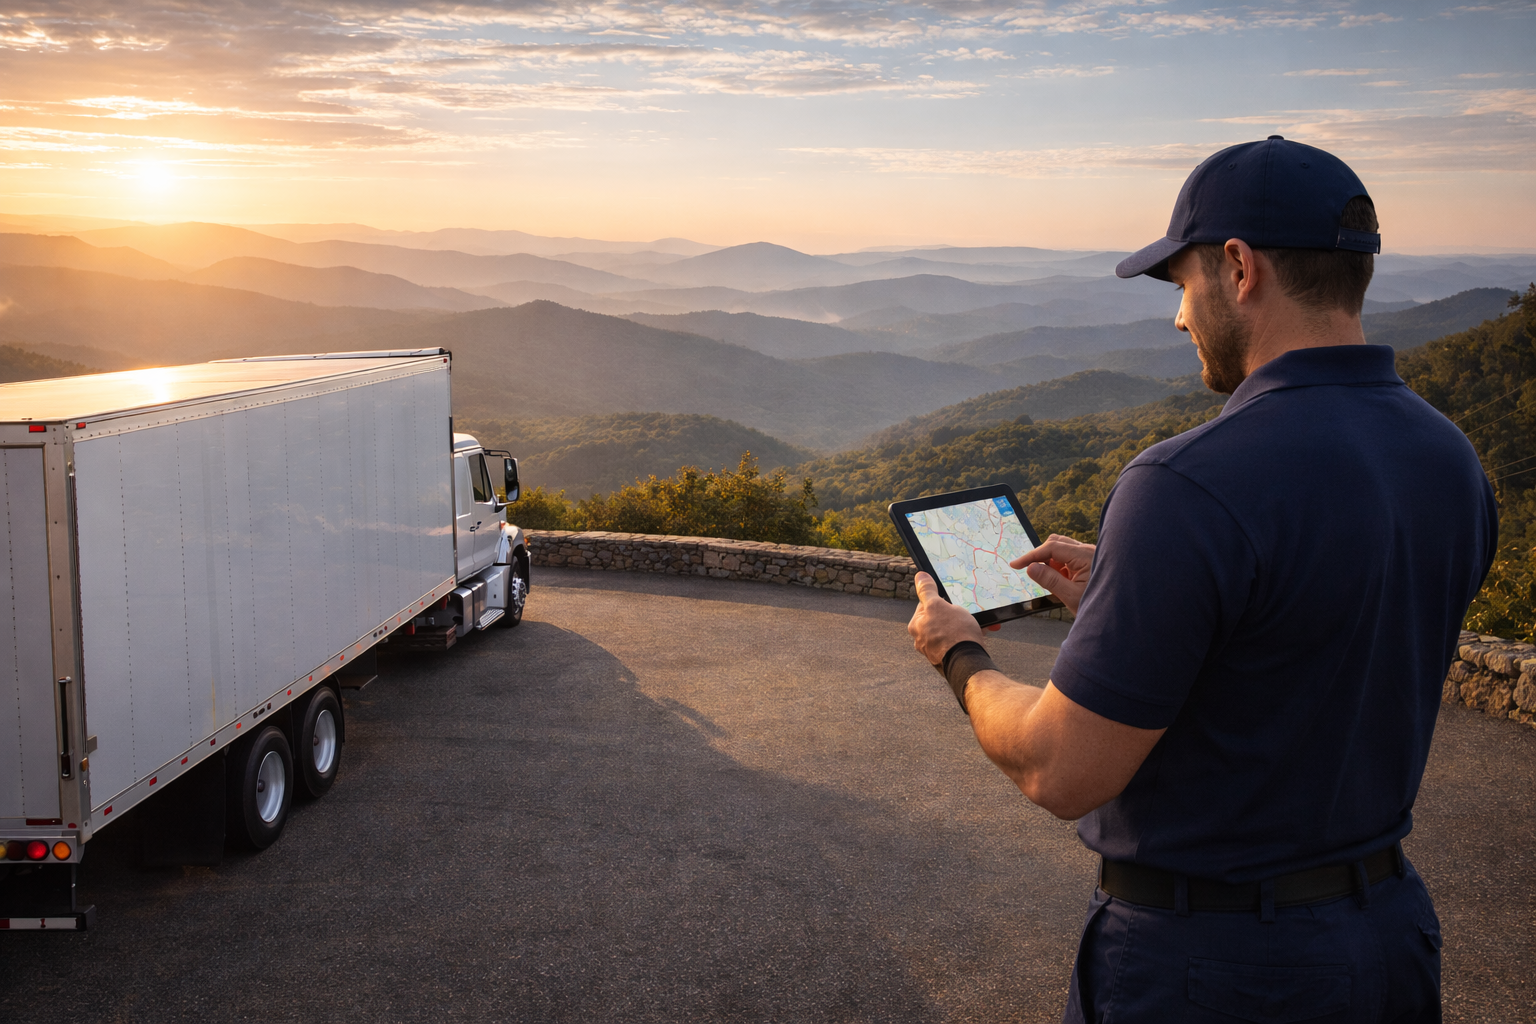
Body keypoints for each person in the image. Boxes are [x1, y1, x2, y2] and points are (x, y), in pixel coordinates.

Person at [906, 137, 1497, 1023]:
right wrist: (1140, 586)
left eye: (1182, 286)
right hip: (1389, 946)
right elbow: (1321, 620)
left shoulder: (1187, 483)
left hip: (1215, 969)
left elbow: (1060, 768)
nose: (1181, 319)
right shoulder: (1449, 459)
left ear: (1237, 268)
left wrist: (959, 656)